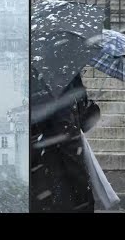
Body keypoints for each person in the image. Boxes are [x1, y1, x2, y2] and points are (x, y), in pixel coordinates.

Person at [30, 69, 101, 212]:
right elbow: (69, 137)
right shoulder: (62, 78)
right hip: (60, 177)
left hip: (37, 177)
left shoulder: (31, 74)